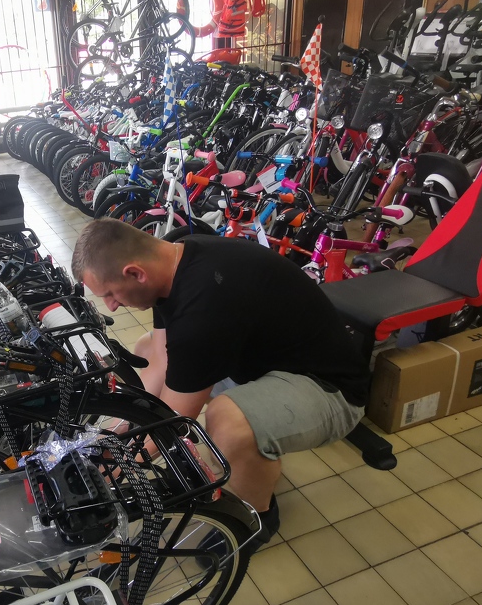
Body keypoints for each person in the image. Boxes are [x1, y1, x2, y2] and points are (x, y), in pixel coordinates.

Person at [72, 218, 370, 547]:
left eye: (110, 294)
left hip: (331, 390)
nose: (111, 306)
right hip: (267, 362)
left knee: (228, 421)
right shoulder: (171, 260)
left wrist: (120, 466)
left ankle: (255, 520)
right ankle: (257, 452)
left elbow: (174, 422)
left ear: (134, 273)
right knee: (147, 347)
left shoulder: (204, 305)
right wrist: (117, 433)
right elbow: (159, 363)